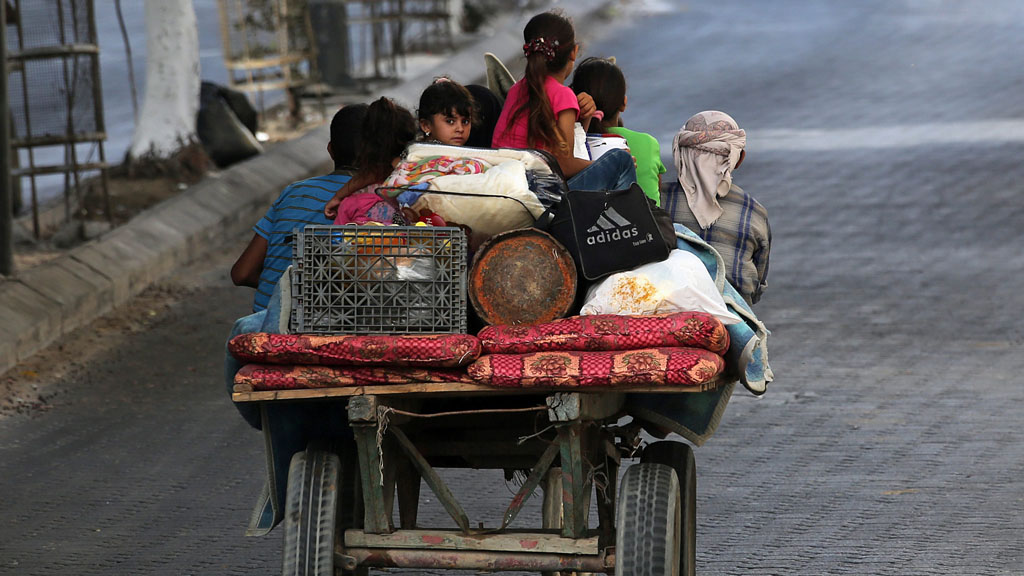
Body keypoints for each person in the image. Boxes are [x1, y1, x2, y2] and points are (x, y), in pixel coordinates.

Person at [230, 103, 368, 311]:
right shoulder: (378, 201)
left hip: (263, 327)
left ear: (330, 150)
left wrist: (286, 290)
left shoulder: (294, 192)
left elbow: (242, 273)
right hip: (324, 330)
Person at [491, 10, 636, 192]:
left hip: (509, 183)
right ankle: (631, 218)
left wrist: (584, 118)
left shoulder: (516, 90)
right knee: (621, 160)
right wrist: (602, 164)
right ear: (574, 52)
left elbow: (562, 147)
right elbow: (564, 165)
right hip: (544, 194)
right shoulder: (563, 95)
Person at [661, 111, 771, 306]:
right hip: (732, 317)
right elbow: (757, 283)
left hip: (664, 315)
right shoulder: (754, 211)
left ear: (679, 153)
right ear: (738, 158)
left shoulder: (655, 199)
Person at [569, 57, 667, 205]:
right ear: (623, 103)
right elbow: (656, 195)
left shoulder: (569, 146)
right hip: (649, 224)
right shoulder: (648, 143)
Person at [324, 97, 418, 221]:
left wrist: (338, 197)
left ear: (364, 147)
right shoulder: (422, 177)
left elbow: (338, 238)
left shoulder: (352, 203)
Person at [417, 76, 477, 146]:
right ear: (426, 126)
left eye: (465, 122)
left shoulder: (468, 155)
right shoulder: (416, 156)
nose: (460, 129)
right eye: (450, 121)